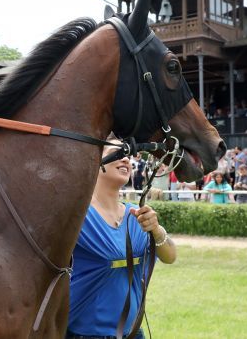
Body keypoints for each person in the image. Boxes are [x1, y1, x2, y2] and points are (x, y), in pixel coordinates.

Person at [67, 139, 177, 339]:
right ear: (95, 160)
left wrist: (157, 230)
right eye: (117, 152)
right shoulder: (75, 215)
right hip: (84, 334)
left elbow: (170, 257)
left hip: (134, 332)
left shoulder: (136, 215)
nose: (126, 158)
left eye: (128, 155)